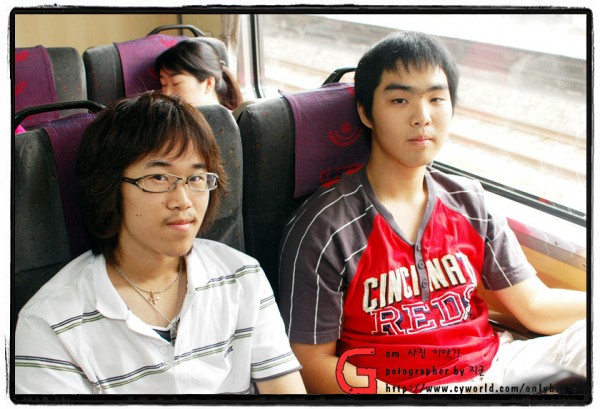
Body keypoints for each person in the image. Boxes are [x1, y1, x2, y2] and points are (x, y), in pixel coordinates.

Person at [278, 31, 586, 394]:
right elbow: (312, 363)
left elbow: (534, 306)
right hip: (406, 391)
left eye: (436, 98)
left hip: (498, 364)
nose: (422, 117)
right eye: (399, 100)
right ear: (365, 112)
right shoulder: (327, 228)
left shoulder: (470, 201)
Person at [15, 91, 306, 394]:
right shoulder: (50, 324)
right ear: (110, 188)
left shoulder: (242, 277)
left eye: (196, 178)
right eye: (158, 178)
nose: (183, 201)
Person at [156, 40, 243, 111]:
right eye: (163, 85)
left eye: (176, 83)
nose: (166, 94)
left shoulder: (237, 123)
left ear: (208, 84)